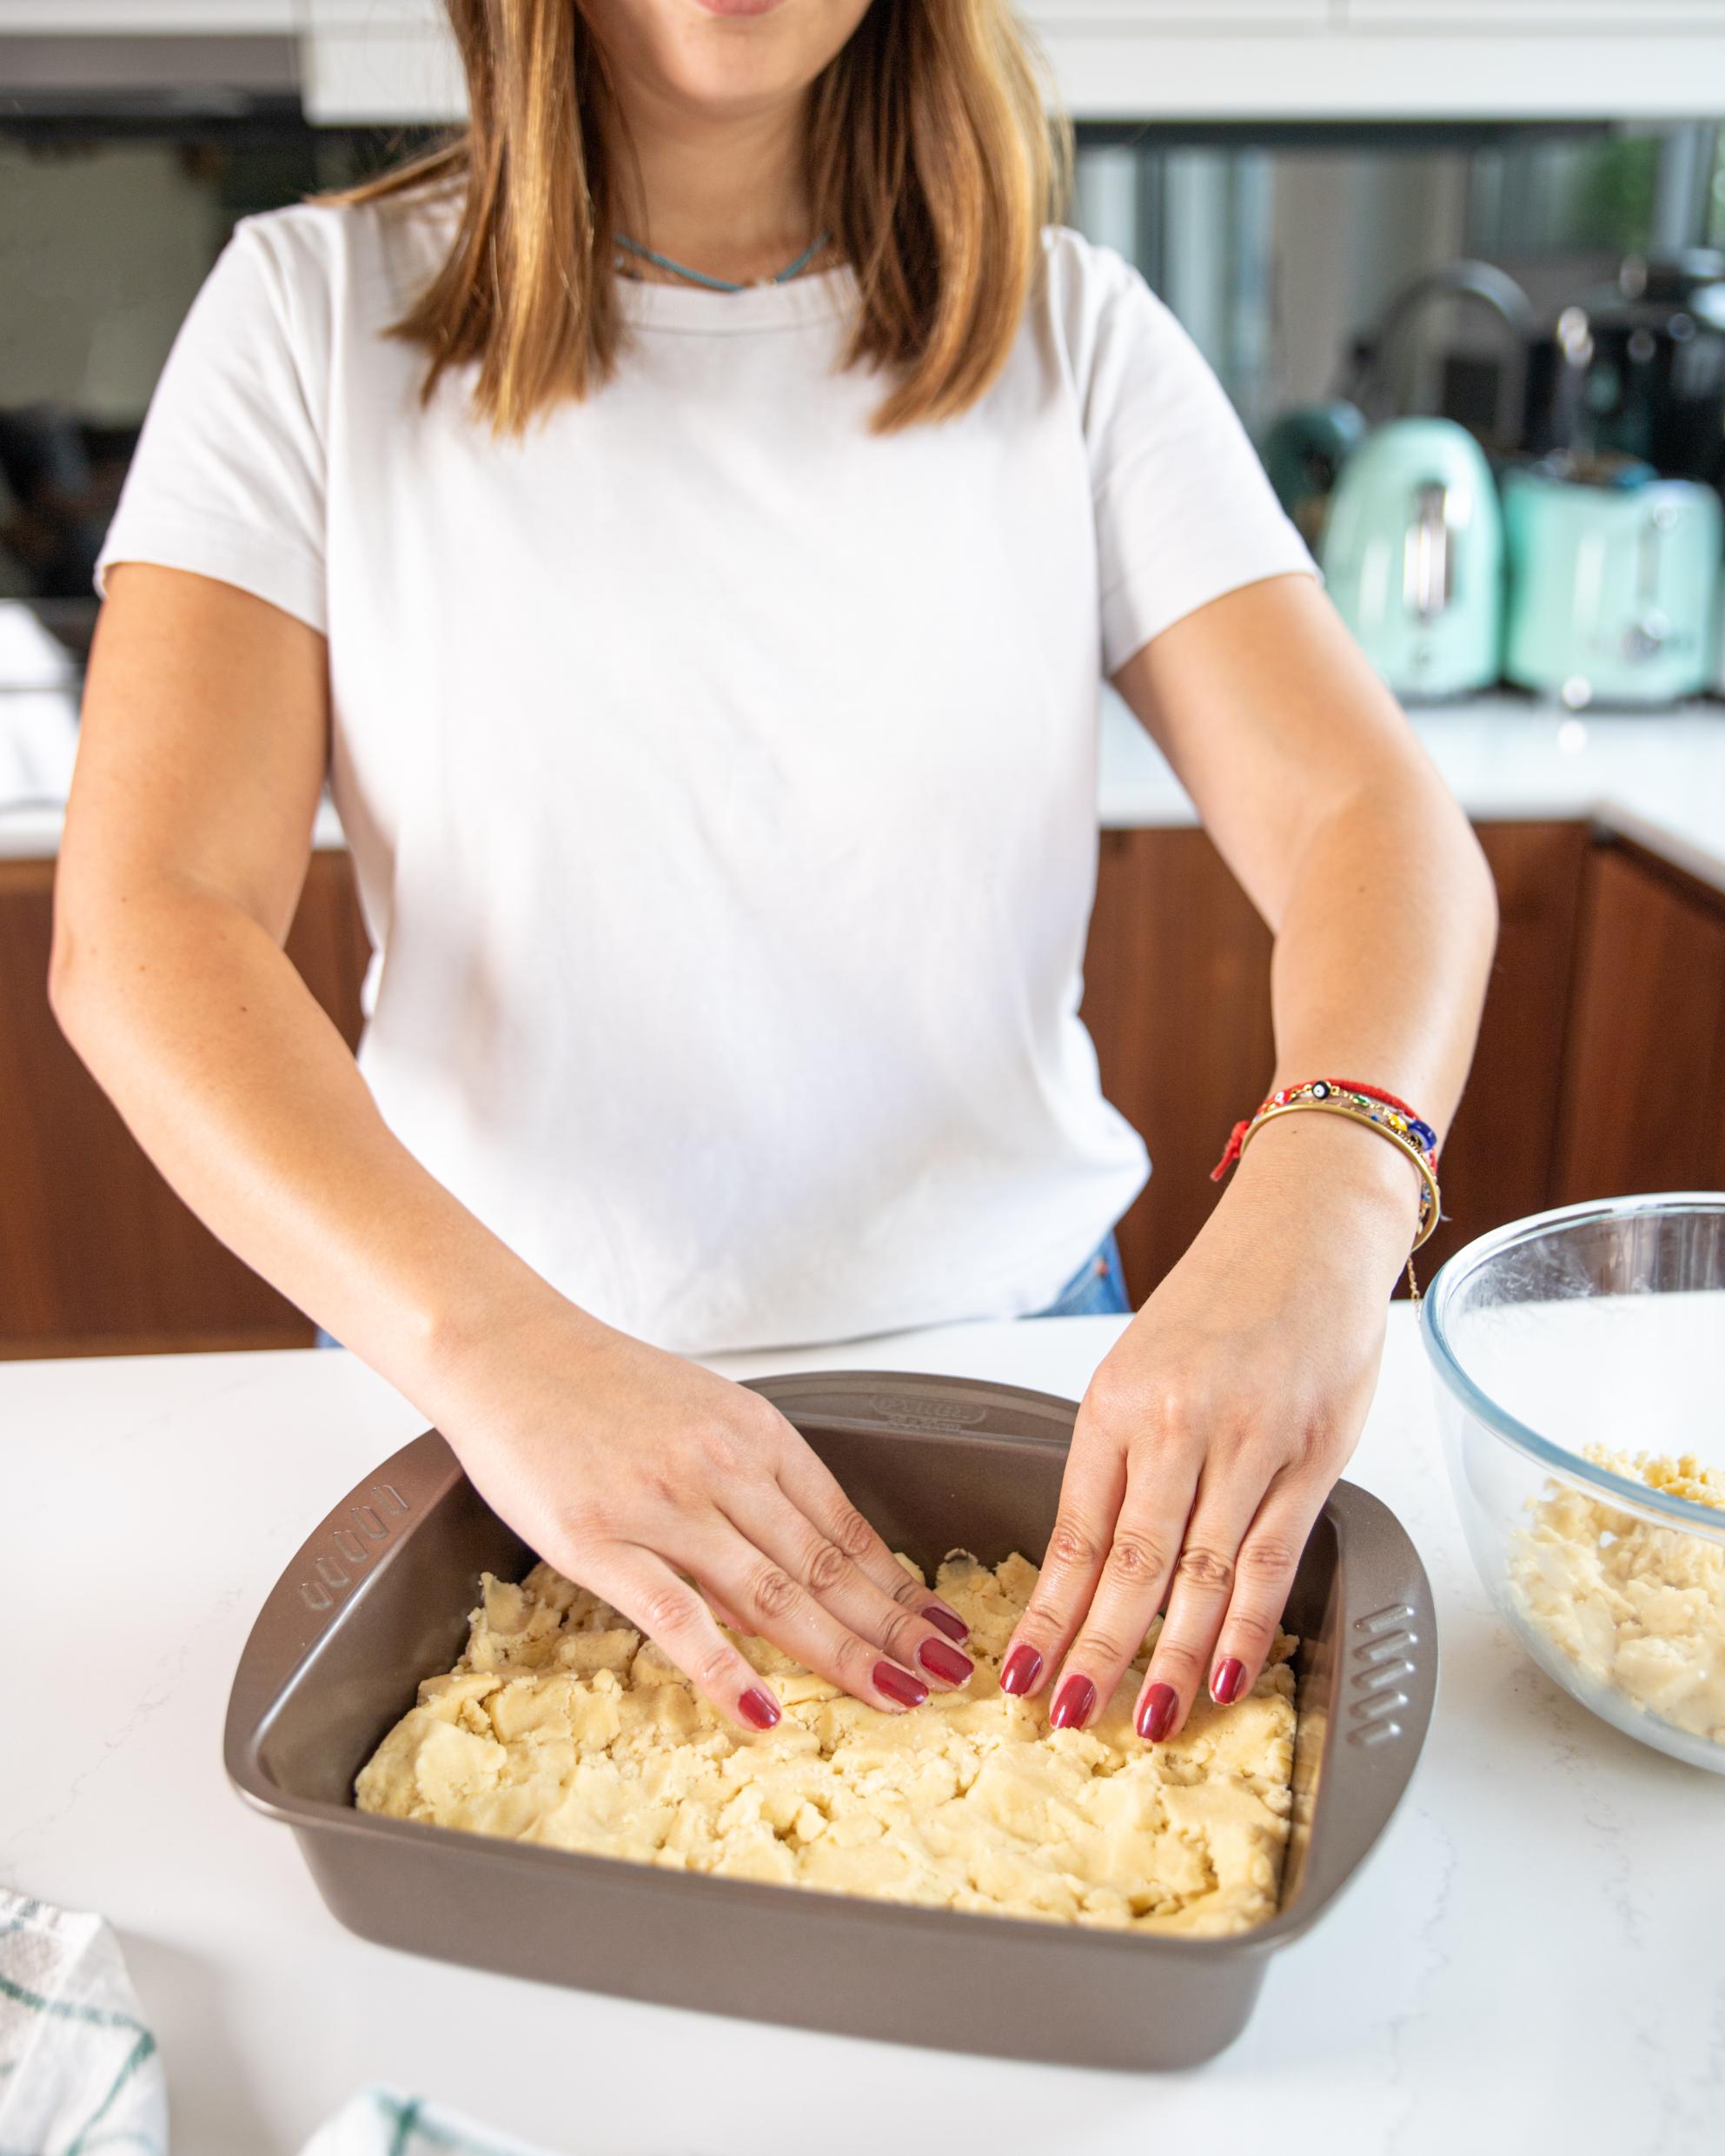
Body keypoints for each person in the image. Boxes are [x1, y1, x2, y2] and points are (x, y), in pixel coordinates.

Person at [52, 0, 1496, 1748]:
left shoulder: (1076, 335)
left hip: (1021, 1369)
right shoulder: (302, 317)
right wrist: (500, 1345)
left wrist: (1330, 1197)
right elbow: (150, 921)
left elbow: (1368, 811)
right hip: (474, 1397)